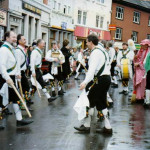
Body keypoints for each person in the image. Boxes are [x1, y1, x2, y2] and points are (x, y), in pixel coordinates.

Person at [74, 34, 112, 135]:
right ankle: (108, 128)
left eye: (86, 42)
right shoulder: (102, 50)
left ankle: (87, 126)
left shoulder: (95, 53)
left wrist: (85, 82)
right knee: (101, 102)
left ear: (91, 42)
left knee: (89, 102)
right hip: (106, 78)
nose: (86, 44)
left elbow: (91, 71)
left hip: (100, 79)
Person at [0, 31, 33, 127]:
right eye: (13, 37)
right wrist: (7, 78)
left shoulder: (12, 49)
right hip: (4, 78)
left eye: (15, 37)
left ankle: (19, 119)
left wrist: (17, 74)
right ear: (7, 38)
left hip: (12, 77)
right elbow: (2, 66)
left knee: (15, 99)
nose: (15, 39)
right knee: (1, 99)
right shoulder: (3, 50)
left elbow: (15, 63)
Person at [15, 34, 33, 105]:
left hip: (23, 71)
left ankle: (25, 101)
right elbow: (17, 63)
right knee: (23, 87)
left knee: (25, 87)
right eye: (24, 39)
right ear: (19, 41)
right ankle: (22, 102)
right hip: (19, 72)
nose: (25, 41)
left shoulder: (22, 50)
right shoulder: (18, 51)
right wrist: (18, 74)